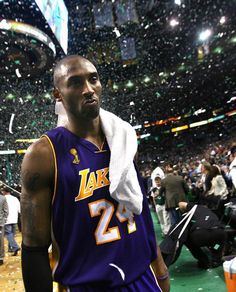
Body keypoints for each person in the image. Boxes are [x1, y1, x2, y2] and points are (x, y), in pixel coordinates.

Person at [20, 55, 170, 292]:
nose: (89, 89)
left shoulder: (125, 139)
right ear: (58, 94)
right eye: (76, 83)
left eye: (93, 79)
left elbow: (140, 213)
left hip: (142, 278)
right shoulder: (42, 155)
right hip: (87, 285)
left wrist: (160, 268)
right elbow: (34, 247)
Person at [178, 202, 226, 269]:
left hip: (200, 236)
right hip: (218, 233)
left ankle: (204, 260)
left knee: (187, 239)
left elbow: (181, 203)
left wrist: (183, 212)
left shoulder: (196, 207)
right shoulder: (211, 212)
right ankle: (216, 260)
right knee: (217, 244)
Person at [1, 186, 21, 256]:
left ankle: (15, 247)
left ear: (4, 192)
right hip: (15, 219)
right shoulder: (15, 198)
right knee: (12, 235)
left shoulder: (3, 199)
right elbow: (20, 210)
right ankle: (11, 248)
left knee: (8, 234)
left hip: (7, 219)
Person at [0, 186, 9, 265]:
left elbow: (6, 211)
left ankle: (1, 258)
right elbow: (6, 211)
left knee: (1, 241)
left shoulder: (2, 198)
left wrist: (3, 221)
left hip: (0, 224)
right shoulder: (3, 198)